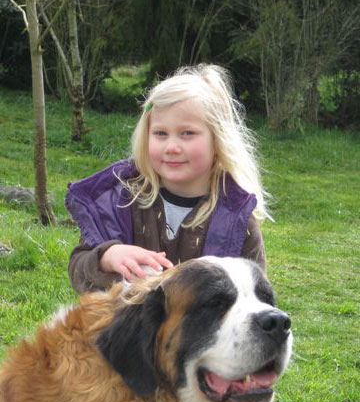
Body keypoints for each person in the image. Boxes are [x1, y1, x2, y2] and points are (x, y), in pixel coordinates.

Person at [66, 64, 269, 294]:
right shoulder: (119, 200)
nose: (172, 147)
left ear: (217, 141)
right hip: (128, 327)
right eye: (161, 133)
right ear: (146, 137)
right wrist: (105, 257)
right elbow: (78, 266)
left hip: (200, 330)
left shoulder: (237, 219)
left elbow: (258, 294)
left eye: (187, 133)